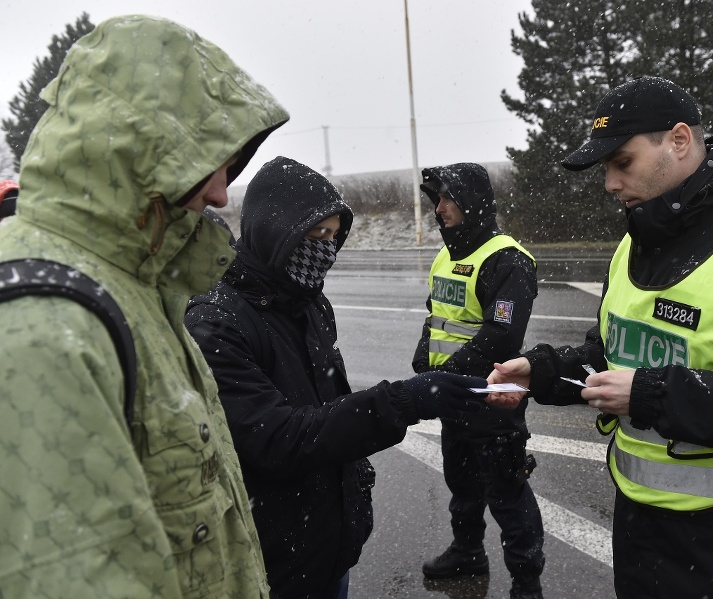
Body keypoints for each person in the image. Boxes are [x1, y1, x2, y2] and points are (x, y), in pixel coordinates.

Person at [488, 76, 713, 598]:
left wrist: (649, 394)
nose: (610, 184)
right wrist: (547, 371)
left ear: (680, 141)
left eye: (623, 163)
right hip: (648, 540)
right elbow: (614, 354)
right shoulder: (633, 244)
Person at [0, 15, 291, 598]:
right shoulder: (46, 329)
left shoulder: (138, 289)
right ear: (142, 148)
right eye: (207, 159)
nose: (220, 192)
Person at [184, 155, 488, 599]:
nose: (324, 249)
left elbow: (328, 404)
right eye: (313, 235)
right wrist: (403, 401)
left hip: (328, 541)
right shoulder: (217, 322)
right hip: (272, 560)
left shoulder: (308, 302)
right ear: (274, 230)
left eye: (332, 236)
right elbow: (279, 438)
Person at [413, 163, 545, 599]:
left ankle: (527, 583)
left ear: (472, 203)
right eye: (437, 200)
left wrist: (447, 373)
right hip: (454, 398)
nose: (440, 209)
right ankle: (467, 552)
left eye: (448, 199)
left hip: (492, 397)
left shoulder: (507, 260)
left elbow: (502, 334)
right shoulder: (446, 255)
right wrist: (424, 355)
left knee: (507, 493)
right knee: (462, 482)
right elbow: (438, 315)